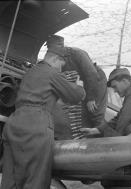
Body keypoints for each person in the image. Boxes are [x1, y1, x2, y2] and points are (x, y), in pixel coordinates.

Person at [1, 48, 85, 189]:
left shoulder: (30, 72)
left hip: (13, 122)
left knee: (10, 177)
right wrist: (80, 86)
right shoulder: (51, 73)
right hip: (36, 125)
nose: (60, 69)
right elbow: (75, 95)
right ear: (54, 59)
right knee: (36, 178)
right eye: (61, 65)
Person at [46, 35, 107, 128]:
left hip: (96, 80)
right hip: (81, 83)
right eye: (48, 47)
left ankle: (101, 136)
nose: (49, 50)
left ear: (60, 45)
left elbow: (92, 74)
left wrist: (91, 98)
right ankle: (87, 136)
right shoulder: (54, 57)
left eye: (51, 47)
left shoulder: (77, 53)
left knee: (95, 112)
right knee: (84, 113)